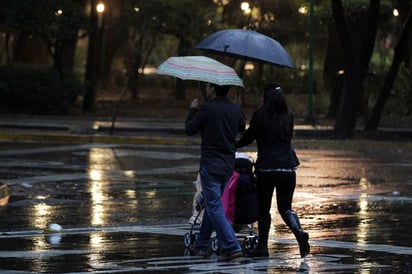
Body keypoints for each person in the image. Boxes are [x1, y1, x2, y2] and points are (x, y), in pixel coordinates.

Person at [236, 83, 310, 258]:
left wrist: (233, 144)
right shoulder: (289, 116)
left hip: (267, 169)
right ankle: (299, 231)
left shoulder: (260, 116)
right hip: (288, 169)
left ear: (266, 98)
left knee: (264, 209)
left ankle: (262, 247)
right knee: (285, 208)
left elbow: (248, 137)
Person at [185, 83, 245, 261]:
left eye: (209, 86)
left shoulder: (206, 109)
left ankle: (232, 246)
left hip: (210, 165)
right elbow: (241, 128)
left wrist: (192, 110)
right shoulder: (234, 109)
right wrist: (238, 108)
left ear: (212, 89)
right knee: (213, 204)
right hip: (227, 165)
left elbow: (189, 129)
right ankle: (202, 245)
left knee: (214, 206)